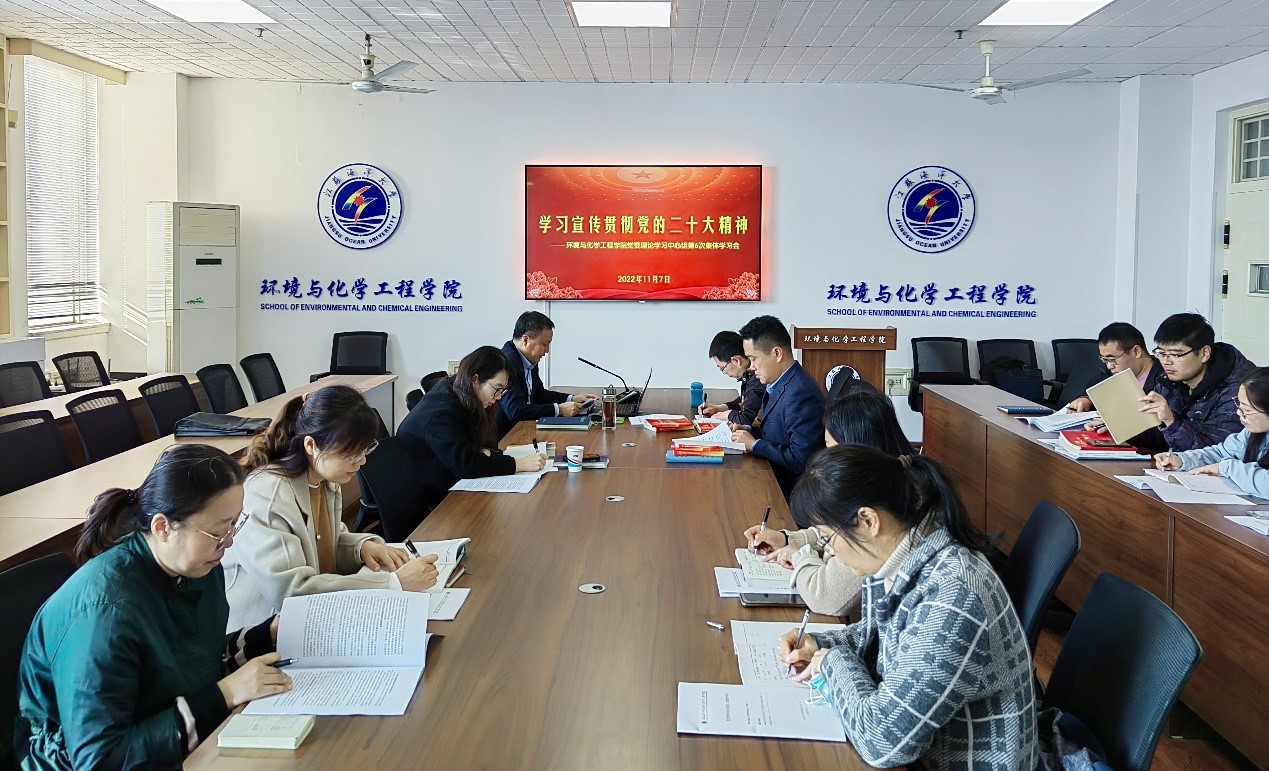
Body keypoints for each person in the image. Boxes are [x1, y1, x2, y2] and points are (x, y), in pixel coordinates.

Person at [16, 445, 292, 768]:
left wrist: (265, 635)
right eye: (219, 531)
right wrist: (225, 694)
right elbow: (99, 759)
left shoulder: (196, 565)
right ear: (162, 528)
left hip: (160, 729)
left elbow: (193, 659)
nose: (228, 542)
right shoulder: (105, 613)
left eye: (234, 525)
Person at [778, 445, 1037, 771]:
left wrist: (832, 662)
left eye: (829, 539)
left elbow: (882, 742)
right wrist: (819, 643)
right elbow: (882, 637)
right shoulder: (897, 553)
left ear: (868, 521)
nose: (832, 551)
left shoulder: (953, 596)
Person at [223, 385, 440, 630]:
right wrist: (392, 584)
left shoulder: (323, 477)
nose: (362, 461)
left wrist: (361, 547)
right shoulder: (268, 496)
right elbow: (292, 594)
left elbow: (325, 542)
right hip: (264, 630)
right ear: (311, 445)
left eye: (365, 450)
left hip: (309, 619)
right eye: (351, 454)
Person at [745, 391, 916, 616]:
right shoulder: (887, 480)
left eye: (832, 448)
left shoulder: (879, 512)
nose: (827, 458)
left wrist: (799, 556)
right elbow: (831, 532)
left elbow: (825, 596)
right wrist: (788, 539)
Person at [399, 345, 548, 511]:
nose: (499, 397)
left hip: (450, 477)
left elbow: (489, 442)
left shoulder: (466, 394)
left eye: (503, 391)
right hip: (431, 499)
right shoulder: (443, 412)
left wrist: (483, 453)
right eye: (497, 389)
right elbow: (466, 465)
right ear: (475, 379)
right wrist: (518, 464)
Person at [729, 315, 826, 495]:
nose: (751, 367)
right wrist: (748, 431)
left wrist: (755, 445)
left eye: (754, 358)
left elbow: (801, 460)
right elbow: (780, 435)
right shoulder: (780, 382)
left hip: (791, 491)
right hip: (773, 477)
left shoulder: (801, 392)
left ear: (777, 353)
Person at [1140, 313, 1255, 451]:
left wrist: (1171, 421)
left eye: (1176, 355)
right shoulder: (1169, 380)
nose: (1166, 361)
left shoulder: (1238, 391)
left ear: (1204, 353)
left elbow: (1216, 453)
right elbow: (1156, 439)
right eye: (1162, 353)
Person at [1154, 367, 1269, 498]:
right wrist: (1183, 460)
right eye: (1239, 405)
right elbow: (1221, 453)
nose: (1238, 413)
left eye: (1247, 410)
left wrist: (1226, 468)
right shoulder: (1251, 433)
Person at [495, 311, 598, 437]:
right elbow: (515, 411)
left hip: (525, 429)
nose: (547, 350)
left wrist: (571, 398)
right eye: (544, 344)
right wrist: (559, 409)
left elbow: (539, 394)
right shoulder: (506, 363)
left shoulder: (528, 359)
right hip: (508, 436)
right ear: (526, 340)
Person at [1063, 322, 1164, 413]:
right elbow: (1098, 383)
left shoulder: (1165, 379)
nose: (1109, 366)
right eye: (1105, 360)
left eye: (1112, 359)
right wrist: (1086, 399)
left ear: (1136, 352)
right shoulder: (1115, 372)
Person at [697, 330, 764, 425]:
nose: (724, 373)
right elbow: (744, 401)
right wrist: (719, 408)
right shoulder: (748, 375)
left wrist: (728, 414)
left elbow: (745, 419)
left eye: (722, 368)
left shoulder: (758, 379)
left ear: (736, 360)